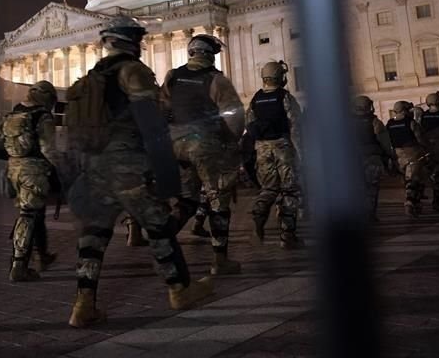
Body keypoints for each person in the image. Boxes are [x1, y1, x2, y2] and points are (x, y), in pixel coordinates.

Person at [65, 17, 212, 328]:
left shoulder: (94, 75)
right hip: (127, 164)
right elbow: (151, 123)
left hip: (96, 164)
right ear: (131, 41)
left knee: (94, 232)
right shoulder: (133, 71)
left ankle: (83, 304)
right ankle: (180, 289)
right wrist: (167, 172)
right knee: (159, 226)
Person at [161, 34, 246, 274]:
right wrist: (231, 141)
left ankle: (163, 243)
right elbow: (235, 117)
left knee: (187, 199)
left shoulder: (173, 76)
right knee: (218, 199)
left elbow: (162, 107)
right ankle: (220, 260)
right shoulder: (216, 79)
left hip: (176, 144)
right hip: (206, 145)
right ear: (210, 55)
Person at [0, 80, 60, 281]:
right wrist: (62, 168)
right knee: (29, 214)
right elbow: (48, 150)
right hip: (34, 171)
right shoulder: (42, 116)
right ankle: (19, 266)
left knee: (36, 213)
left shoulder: (13, 114)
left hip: (13, 169)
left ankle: (42, 256)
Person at [245, 60, 304, 249]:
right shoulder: (285, 97)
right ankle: (288, 236)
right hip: (283, 146)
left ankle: (258, 219)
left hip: (262, 149)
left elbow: (249, 124)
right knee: (289, 190)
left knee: (268, 189)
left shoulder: (255, 99)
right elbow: (295, 125)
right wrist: (300, 152)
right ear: (281, 77)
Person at [353, 96, 397, 222]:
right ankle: (369, 214)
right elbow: (385, 142)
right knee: (372, 187)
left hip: (354, 160)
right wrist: (391, 156)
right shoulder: (374, 122)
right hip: (372, 158)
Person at [385, 101, 428, 218]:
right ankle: (409, 202)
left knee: (408, 178)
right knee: (414, 179)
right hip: (413, 152)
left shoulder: (389, 123)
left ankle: (415, 202)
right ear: (405, 110)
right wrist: (427, 148)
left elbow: (387, 141)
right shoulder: (410, 122)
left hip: (398, 155)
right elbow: (420, 138)